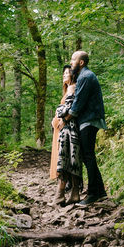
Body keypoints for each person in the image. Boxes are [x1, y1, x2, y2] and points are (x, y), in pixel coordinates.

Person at [64, 49, 106, 204]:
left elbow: (78, 103)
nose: (70, 62)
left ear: (81, 62)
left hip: (89, 120)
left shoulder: (86, 77)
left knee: (88, 156)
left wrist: (66, 117)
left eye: (73, 59)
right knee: (88, 156)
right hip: (88, 120)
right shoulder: (83, 76)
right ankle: (100, 191)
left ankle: (93, 193)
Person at [50, 67, 81, 205]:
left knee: (65, 160)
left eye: (67, 73)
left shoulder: (72, 88)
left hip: (69, 129)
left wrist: (60, 114)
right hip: (69, 129)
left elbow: (69, 109)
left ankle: (60, 195)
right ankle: (74, 193)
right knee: (72, 160)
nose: (64, 75)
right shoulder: (70, 88)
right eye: (63, 73)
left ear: (73, 75)